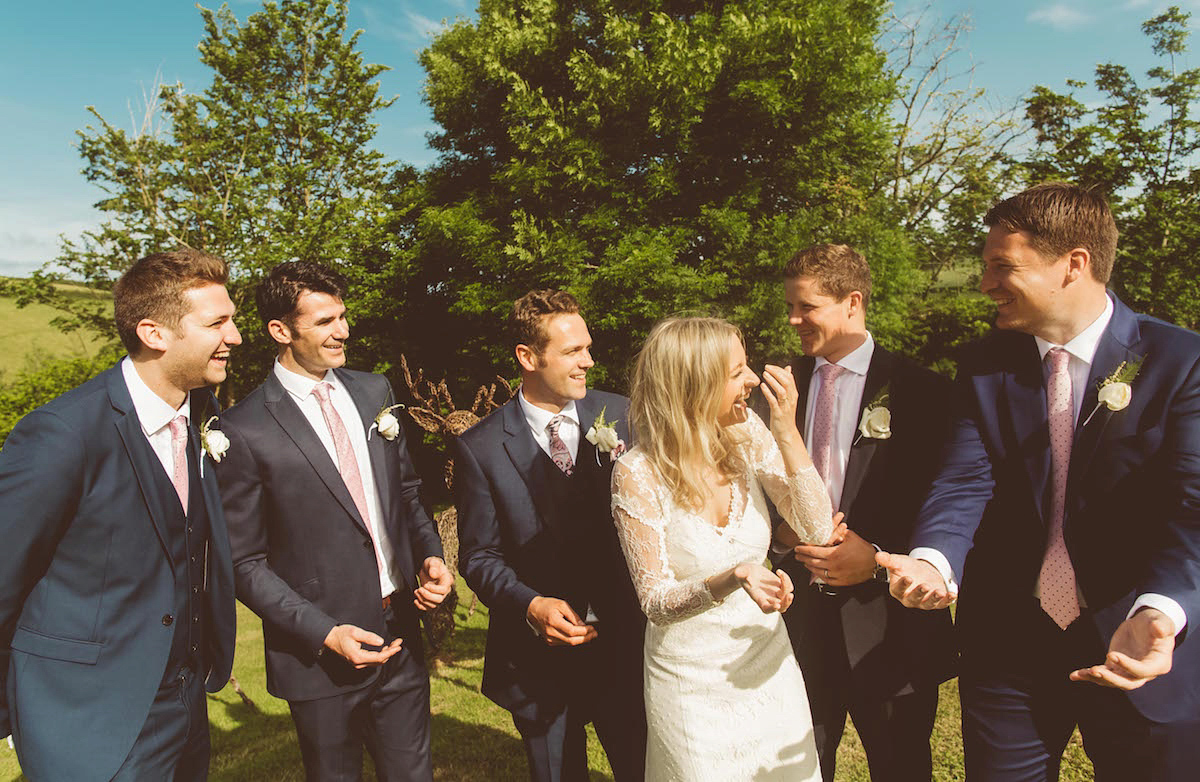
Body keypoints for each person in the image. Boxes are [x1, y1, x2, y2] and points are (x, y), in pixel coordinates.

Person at [879, 182, 1200, 780]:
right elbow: (964, 480)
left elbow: (1194, 509)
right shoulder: (984, 364)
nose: (984, 284)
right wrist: (933, 558)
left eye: (1003, 266)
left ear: (1072, 264)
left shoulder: (1182, 363)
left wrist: (1161, 609)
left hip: (1137, 639)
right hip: (1009, 643)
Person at [0, 248, 241, 781]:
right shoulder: (61, 435)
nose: (236, 337)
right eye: (218, 323)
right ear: (154, 333)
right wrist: (24, 716)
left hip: (184, 708)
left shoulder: (205, 414)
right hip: (88, 720)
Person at [215, 261, 452, 782]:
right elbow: (244, 562)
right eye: (324, 321)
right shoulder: (242, 428)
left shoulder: (375, 392)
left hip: (401, 633)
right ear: (281, 330)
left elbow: (408, 492)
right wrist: (324, 633)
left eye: (342, 317)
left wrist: (431, 555)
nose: (343, 331)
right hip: (319, 654)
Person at [611, 315, 837, 781]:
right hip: (689, 685)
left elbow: (816, 528)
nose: (753, 380)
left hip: (769, 671)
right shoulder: (637, 473)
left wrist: (787, 432)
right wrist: (734, 576)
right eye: (737, 372)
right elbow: (654, 601)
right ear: (694, 385)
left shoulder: (748, 433)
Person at [770, 244, 955, 781]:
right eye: (790, 306)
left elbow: (946, 499)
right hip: (796, 615)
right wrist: (779, 532)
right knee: (799, 767)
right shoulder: (776, 387)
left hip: (890, 622)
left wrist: (875, 555)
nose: (793, 319)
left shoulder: (926, 391)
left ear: (852, 302)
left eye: (806, 306)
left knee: (901, 766)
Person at [453, 290, 647, 782]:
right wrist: (530, 605)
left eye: (587, 347)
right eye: (572, 352)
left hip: (626, 644)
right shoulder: (481, 447)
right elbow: (479, 556)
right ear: (528, 357)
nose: (589, 361)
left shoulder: (625, 416)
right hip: (538, 659)